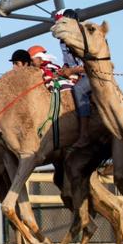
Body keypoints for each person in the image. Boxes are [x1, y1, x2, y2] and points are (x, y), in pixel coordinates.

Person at [54, 9, 93, 148]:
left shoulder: (83, 38)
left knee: (79, 89)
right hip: (78, 74)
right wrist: (64, 69)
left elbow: (88, 66)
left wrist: (71, 71)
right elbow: (69, 63)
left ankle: (84, 134)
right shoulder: (63, 41)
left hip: (93, 74)